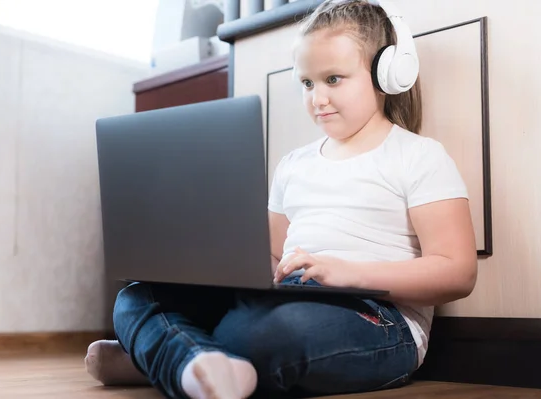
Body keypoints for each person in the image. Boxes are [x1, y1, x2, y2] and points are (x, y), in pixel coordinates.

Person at [85, 0, 478, 398]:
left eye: (333, 79)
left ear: (385, 73)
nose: (318, 98)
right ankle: (196, 364)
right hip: (283, 300)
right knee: (136, 296)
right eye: (308, 83)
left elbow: (456, 273)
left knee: (266, 332)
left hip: (377, 316)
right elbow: (273, 257)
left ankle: (169, 356)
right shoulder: (294, 165)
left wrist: (344, 272)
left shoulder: (418, 156)